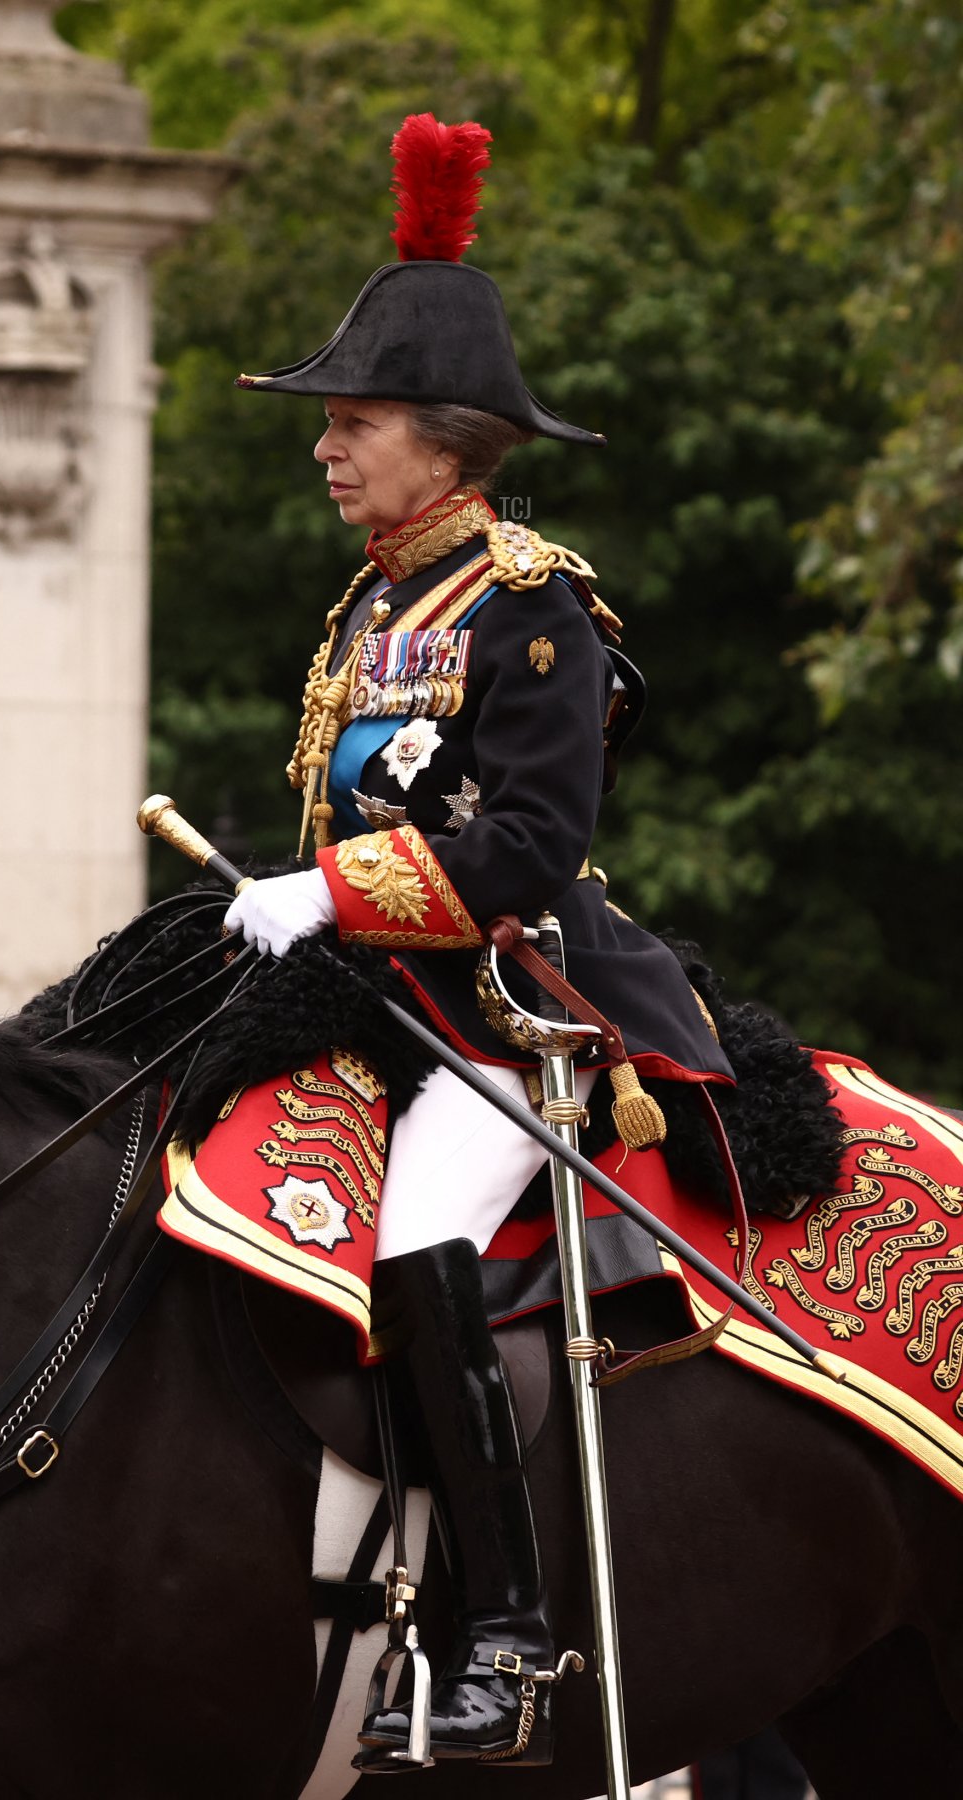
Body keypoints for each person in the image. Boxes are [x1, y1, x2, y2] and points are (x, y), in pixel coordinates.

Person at [221, 114, 734, 1769]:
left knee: (416, 1245)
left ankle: (505, 1639)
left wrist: (337, 894)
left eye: (351, 424)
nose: (326, 449)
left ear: (445, 447)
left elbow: (526, 849)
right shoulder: (368, 605)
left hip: (504, 1011)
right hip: (370, 995)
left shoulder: (533, 612)